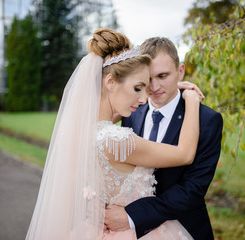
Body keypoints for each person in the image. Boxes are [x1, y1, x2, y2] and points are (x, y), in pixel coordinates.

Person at [25, 28, 203, 240]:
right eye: (138, 88)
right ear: (110, 82)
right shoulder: (117, 140)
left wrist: (170, 90)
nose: (144, 98)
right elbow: (184, 154)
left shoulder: (84, 130)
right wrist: (191, 100)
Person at [104, 37, 223, 239]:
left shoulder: (207, 120)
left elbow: (193, 189)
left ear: (181, 71)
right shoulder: (131, 112)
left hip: (183, 229)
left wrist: (132, 216)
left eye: (163, 76)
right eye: (148, 79)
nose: (154, 87)